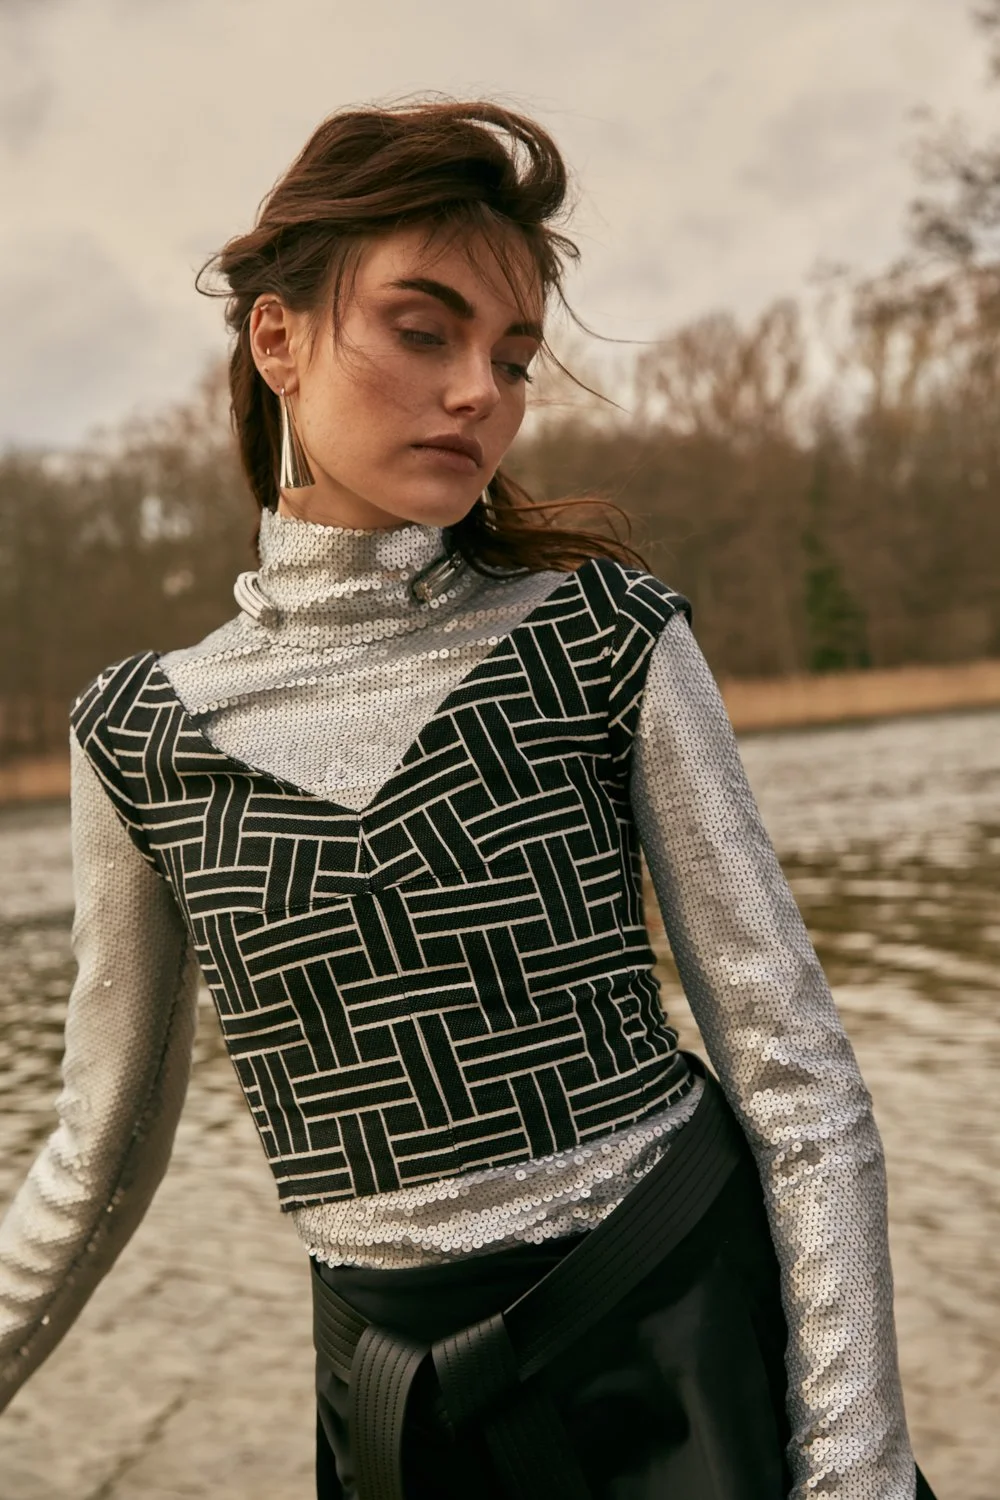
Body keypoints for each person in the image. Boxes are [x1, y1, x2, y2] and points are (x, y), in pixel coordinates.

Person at [0, 101, 935, 1500]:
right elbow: (99, 1148)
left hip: (678, 1343)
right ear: (279, 341)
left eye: (510, 356)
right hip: (393, 1416)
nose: (476, 393)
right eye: (422, 331)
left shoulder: (605, 636)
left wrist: (854, 1464)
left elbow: (796, 1077)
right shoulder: (138, 732)